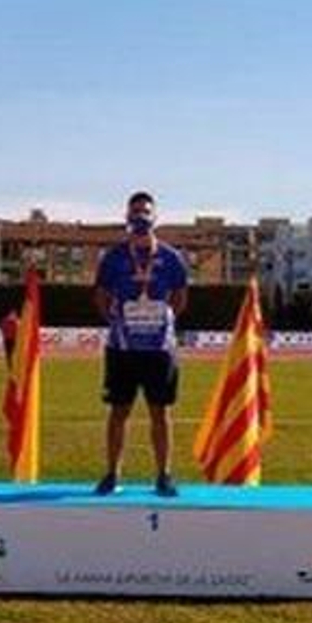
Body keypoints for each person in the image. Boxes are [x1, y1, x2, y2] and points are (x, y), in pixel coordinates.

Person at [92, 191, 189, 497]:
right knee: (118, 412)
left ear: (155, 216)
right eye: (135, 212)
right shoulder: (113, 257)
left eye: (145, 212)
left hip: (159, 349)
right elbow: (101, 295)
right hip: (122, 348)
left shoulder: (172, 258)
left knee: (160, 413)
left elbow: (180, 297)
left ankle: (164, 474)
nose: (140, 217)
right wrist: (117, 320)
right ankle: (111, 473)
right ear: (126, 216)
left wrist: (161, 319)